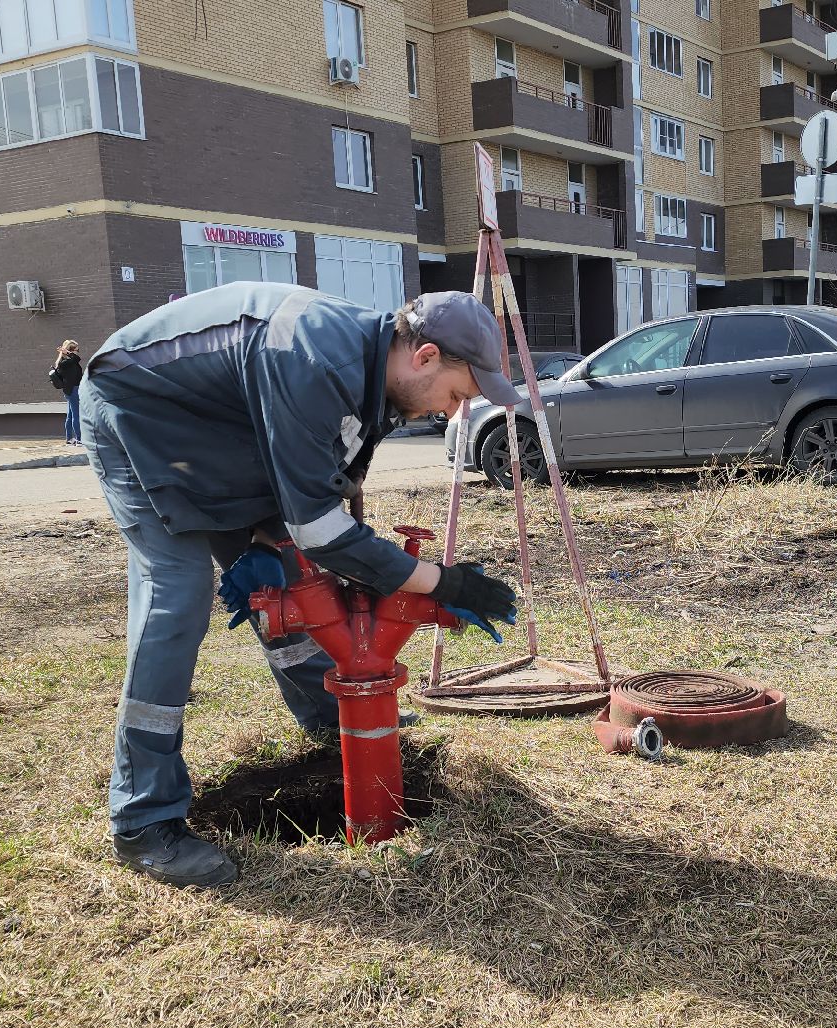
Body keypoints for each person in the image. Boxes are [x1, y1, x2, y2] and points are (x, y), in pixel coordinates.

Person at [81, 283, 523, 887]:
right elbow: (318, 526)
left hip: (221, 434)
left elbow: (333, 486)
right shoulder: (316, 359)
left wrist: (301, 554)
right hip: (139, 413)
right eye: (456, 395)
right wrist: (442, 583)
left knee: (288, 580)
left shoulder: (377, 377)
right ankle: (143, 819)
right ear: (424, 357)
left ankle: (323, 714)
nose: (451, 412)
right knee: (176, 600)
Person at [49, 340, 85, 444]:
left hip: (72, 390)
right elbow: (77, 358)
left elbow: (76, 360)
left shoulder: (68, 361)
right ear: (70, 350)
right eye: (76, 349)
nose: (78, 351)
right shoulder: (65, 362)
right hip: (72, 390)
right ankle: (79, 439)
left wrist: (67, 353)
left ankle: (69, 438)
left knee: (70, 415)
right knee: (76, 414)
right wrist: (66, 352)